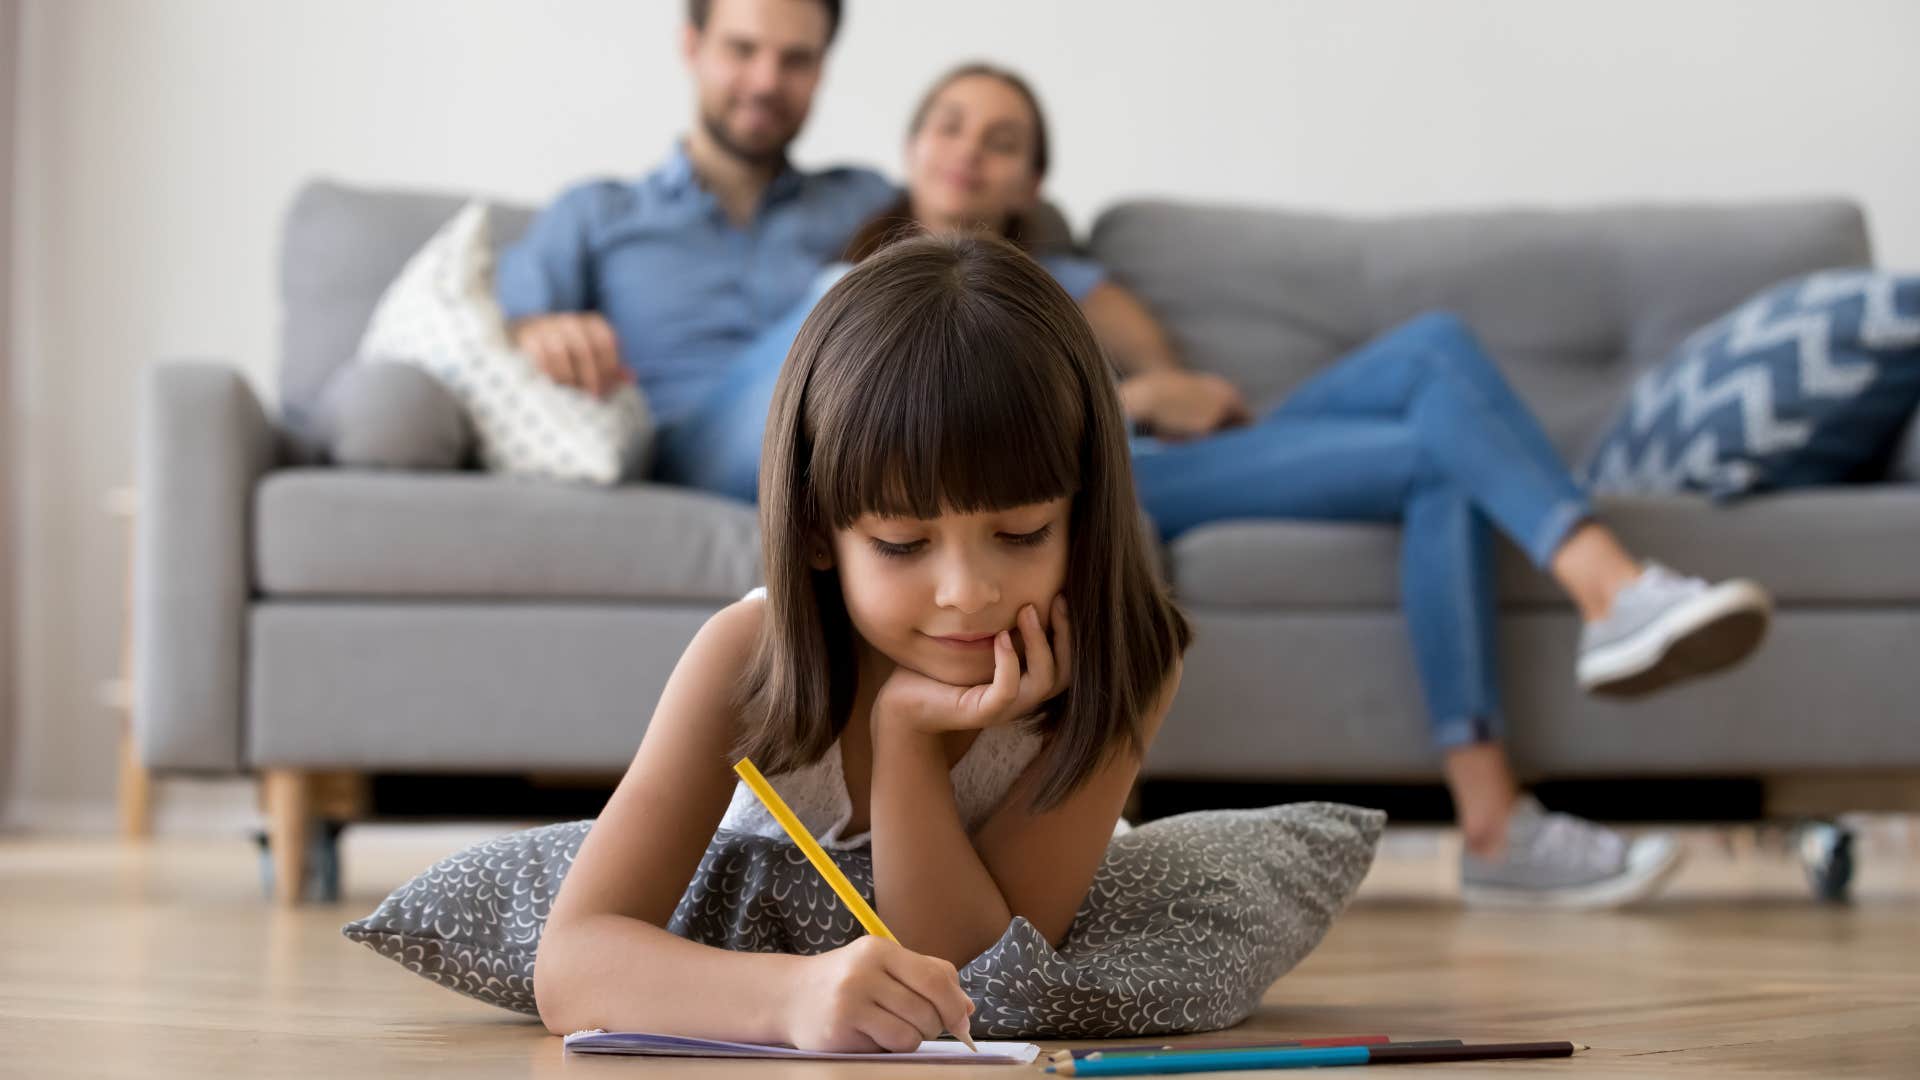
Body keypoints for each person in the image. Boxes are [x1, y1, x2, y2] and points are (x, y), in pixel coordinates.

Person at [542, 59, 1768, 910]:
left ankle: (1605, 619)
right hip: (1083, 469)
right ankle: (1542, 726)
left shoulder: (1076, 281)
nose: (972, 149)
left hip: (1129, 479)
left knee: (1437, 356)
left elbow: (1187, 398)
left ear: (1029, 181)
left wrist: (1130, 400)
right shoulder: (856, 292)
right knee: (1436, 453)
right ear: (908, 152)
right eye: (951, 126)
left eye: (1003, 138)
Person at [532, 234, 1190, 1048]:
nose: (967, 593)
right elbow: (572, 965)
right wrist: (791, 996)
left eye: (1022, 532)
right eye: (903, 545)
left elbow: (976, 980)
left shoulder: (1126, 659)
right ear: (816, 530)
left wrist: (906, 736)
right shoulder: (747, 656)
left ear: (1082, 513)